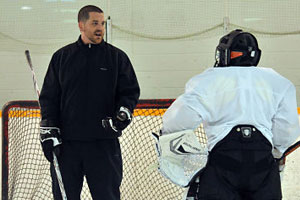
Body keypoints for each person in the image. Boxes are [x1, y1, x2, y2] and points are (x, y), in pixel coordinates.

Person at [161, 29, 300, 200]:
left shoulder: (207, 80)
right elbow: (287, 132)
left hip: (221, 168)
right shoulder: (279, 82)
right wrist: (276, 150)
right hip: (263, 169)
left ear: (224, 54)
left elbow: (175, 123)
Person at [39, 5, 140, 200]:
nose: (100, 28)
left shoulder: (117, 58)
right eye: (95, 23)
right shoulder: (62, 57)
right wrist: (49, 126)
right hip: (67, 146)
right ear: (81, 25)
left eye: (102, 23)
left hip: (103, 145)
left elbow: (129, 92)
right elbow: (49, 98)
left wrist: (123, 113)